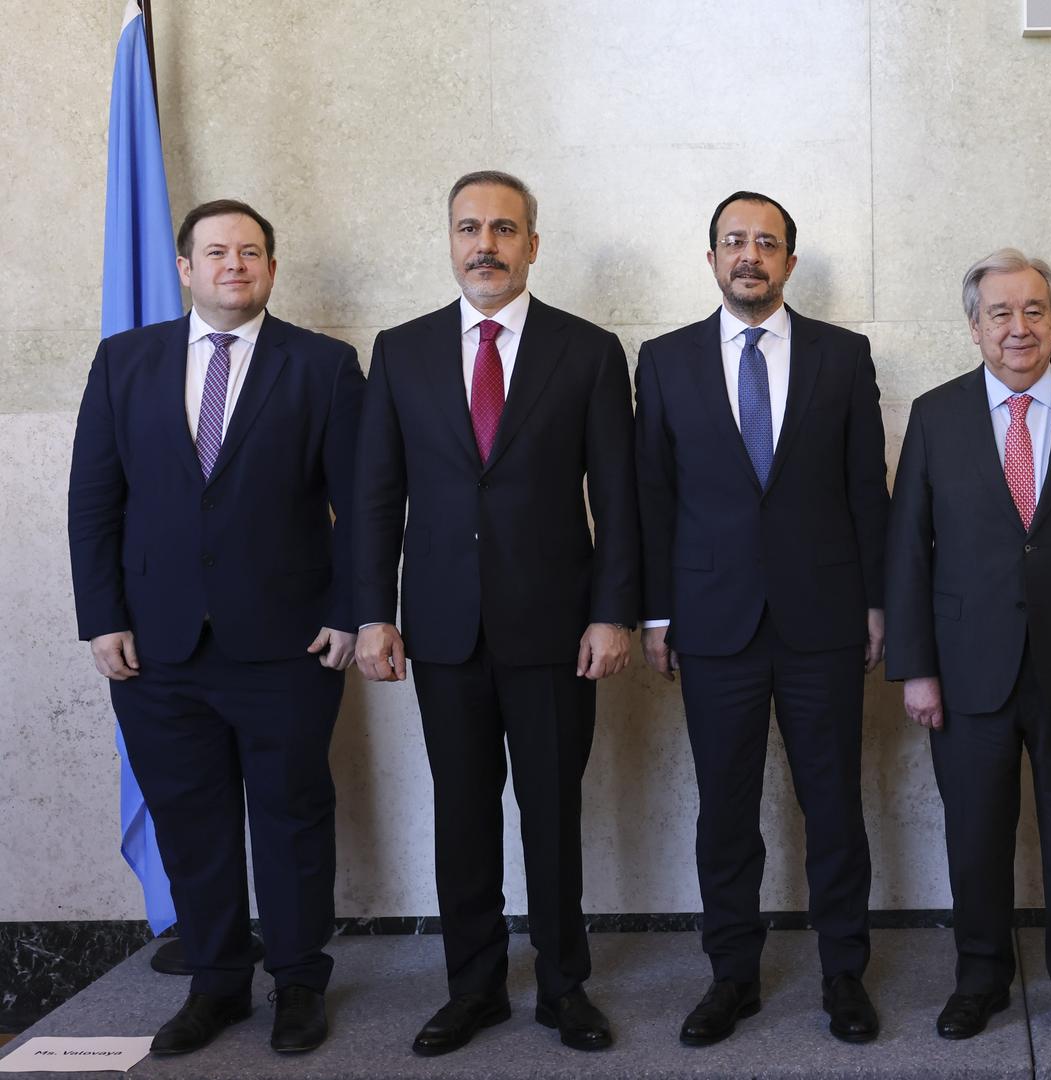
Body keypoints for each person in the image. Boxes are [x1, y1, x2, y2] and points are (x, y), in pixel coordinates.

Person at [353, 170, 639, 1056]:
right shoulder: (399, 351)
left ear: (532, 245)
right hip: (441, 630)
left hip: (557, 630)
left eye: (505, 229)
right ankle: (472, 989)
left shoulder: (588, 351)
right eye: (470, 228)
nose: (487, 244)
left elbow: (620, 500)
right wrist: (371, 612)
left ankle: (564, 989)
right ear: (448, 241)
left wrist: (613, 613)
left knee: (552, 815)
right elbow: (374, 495)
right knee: (462, 814)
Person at [68, 199, 362, 1055]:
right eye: (217, 252)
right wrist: (101, 618)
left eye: (252, 251)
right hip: (157, 650)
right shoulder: (124, 362)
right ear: (186, 268)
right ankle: (217, 983)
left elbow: (365, 507)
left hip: (290, 646)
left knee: (292, 819)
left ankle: (300, 983)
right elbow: (95, 501)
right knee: (190, 823)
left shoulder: (326, 366)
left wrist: (350, 611)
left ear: (272, 268)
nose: (235, 264)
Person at [633, 191, 889, 1047]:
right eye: (734, 242)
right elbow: (653, 498)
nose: (750, 255)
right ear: (711, 258)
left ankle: (844, 974)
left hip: (823, 619)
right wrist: (657, 614)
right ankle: (730, 977)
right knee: (726, 812)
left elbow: (866, 492)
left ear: (789, 260)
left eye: (767, 243)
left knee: (834, 806)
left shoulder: (842, 356)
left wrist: (879, 601)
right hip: (712, 625)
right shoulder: (664, 361)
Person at [886, 248, 1051, 1048]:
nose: (1018, 327)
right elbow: (908, 552)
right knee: (975, 833)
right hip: (967, 670)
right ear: (973, 327)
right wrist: (916, 668)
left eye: (1034, 310)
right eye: (999, 313)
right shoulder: (934, 416)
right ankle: (980, 979)